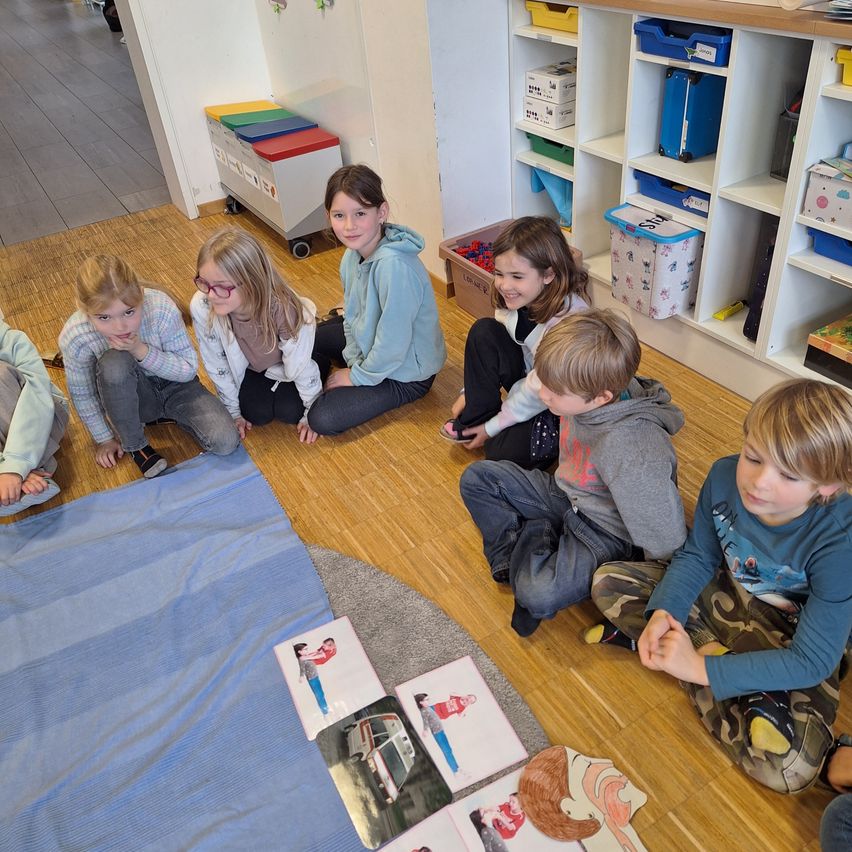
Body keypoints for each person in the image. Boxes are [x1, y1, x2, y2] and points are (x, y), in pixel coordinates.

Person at [587, 378, 852, 794]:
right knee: (608, 582)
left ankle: (686, 657)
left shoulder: (840, 540)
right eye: (753, 457)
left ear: (828, 485)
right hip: (730, 592)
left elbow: (812, 661)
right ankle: (738, 683)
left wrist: (698, 668)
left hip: (794, 631)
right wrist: (665, 613)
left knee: (789, 770)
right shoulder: (724, 476)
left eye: (788, 475)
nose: (758, 482)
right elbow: (698, 555)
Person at [460, 308, 686, 637]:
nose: (543, 394)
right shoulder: (583, 388)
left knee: (537, 593)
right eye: (544, 381)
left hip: (606, 531)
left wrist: (658, 591)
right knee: (476, 479)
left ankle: (531, 545)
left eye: (555, 392)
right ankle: (520, 554)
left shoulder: (633, 449)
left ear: (601, 398)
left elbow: (665, 537)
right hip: (567, 494)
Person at [59, 255, 239, 479]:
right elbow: (82, 393)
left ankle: (164, 416)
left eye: (129, 312)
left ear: (141, 296)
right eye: (104, 317)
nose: (120, 327)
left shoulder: (160, 307)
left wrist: (140, 350)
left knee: (226, 442)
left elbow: (188, 369)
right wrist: (104, 438)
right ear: (85, 311)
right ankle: (136, 445)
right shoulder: (75, 335)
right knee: (114, 361)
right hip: (129, 397)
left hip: (177, 387)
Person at [440, 216, 590, 470]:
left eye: (517, 276)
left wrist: (492, 428)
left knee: (500, 453)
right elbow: (500, 351)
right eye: (499, 273)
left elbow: (539, 390)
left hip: (559, 402)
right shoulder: (514, 301)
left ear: (548, 274)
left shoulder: (568, 325)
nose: (504, 285)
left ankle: (497, 430)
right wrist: (471, 393)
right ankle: (480, 419)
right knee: (484, 331)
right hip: (531, 379)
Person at [308, 164, 446, 436]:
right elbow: (351, 316)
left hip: (405, 375)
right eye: (339, 215)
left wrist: (355, 376)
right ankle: (318, 376)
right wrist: (353, 360)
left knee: (323, 418)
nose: (349, 226)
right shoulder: (351, 255)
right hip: (370, 347)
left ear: (381, 212)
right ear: (328, 216)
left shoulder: (395, 267)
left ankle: (322, 379)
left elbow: (393, 343)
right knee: (308, 338)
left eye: (360, 213)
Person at [190, 227, 326, 444]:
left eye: (222, 287)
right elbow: (217, 364)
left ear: (252, 281)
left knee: (291, 411)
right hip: (258, 367)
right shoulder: (204, 306)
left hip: (295, 359)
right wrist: (234, 412)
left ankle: (324, 353)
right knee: (256, 413)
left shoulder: (282, 307)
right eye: (204, 283)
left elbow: (300, 365)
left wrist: (312, 411)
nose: (211, 295)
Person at [0, 318, 69, 516]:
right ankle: (20, 477)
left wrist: (15, 464)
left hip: (43, 418)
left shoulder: (10, 340)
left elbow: (38, 394)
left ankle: (34, 468)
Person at [414, 692, 463, 777]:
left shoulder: (428, 708)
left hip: (441, 730)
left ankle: (457, 768)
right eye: (426, 700)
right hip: (437, 733)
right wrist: (425, 730)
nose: (428, 701)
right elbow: (425, 721)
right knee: (446, 751)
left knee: (449, 750)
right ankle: (455, 771)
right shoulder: (424, 711)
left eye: (428, 699)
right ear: (421, 702)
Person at [295, 643, 329, 715]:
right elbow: (302, 668)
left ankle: (326, 709)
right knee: (319, 694)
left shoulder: (305, 656)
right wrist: (301, 676)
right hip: (312, 679)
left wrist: (317, 652)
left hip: (316, 676)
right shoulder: (302, 658)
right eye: (305, 649)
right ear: (299, 652)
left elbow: (311, 655)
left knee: (321, 693)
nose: (307, 651)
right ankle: (325, 711)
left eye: (307, 649)